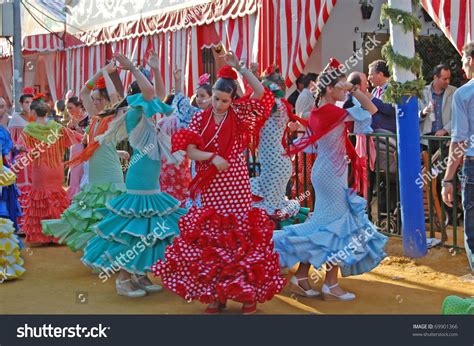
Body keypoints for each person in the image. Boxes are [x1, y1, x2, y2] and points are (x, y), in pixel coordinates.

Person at [153, 52, 285, 314]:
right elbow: (188, 150)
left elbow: (261, 95)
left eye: (225, 100)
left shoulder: (239, 115)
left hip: (236, 186)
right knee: (214, 240)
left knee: (240, 239)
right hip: (211, 186)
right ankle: (217, 295)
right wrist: (212, 157)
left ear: (233, 99)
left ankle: (248, 295)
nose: (219, 104)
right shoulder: (199, 118)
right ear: (211, 94)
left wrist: (241, 69)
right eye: (216, 98)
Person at [273, 64, 387, 301]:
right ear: (329, 88)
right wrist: (355, 90)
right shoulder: (332, 113)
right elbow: (372, 108)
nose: (345, 90)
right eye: (341, 86)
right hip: (332, 175)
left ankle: (302, 277)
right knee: (336, 228)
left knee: (325, 226)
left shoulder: (316, 113)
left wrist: (348, 88)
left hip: (326, 171)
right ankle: (330, 284)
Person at [81, 54, 186, 298]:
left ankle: (139, 273)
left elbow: (155, 94)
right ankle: (124, 277)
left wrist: (157, 71)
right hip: (140, 177)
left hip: (149, 177)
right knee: (135, 228)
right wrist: (134, 69)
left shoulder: (144, 109)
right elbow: (151, 93)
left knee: (148, 228)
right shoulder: (135, 111)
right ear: (138, 94)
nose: (152, 95)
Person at [42, 62, 127, 252]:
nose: (94, 102)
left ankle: (113, 254)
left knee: (110, 215)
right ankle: (101, 252)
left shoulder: (112, 116)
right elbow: (83, 92)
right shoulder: (94, 117)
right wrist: (101, 72)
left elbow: (114, 96)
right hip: (96, 172)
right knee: (95, 215)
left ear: (106, 101)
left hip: (110, 174)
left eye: (98, 99)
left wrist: (108, 75)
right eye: (94, 99)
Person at [250, 65, 309, 227]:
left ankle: (280, 246)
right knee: (273, 208)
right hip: (276, 163)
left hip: (275, 164)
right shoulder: (276, 105)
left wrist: (248, 73)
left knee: (272, 211)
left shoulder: (274, 106)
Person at [21, 98, 82, 245]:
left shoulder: (28, 129)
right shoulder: (57, 127)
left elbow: (24, 150)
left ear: (34, 112)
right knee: (57, 198)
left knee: (41, 199)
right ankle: (58, 234)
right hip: (56, 167)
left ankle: (43, 236)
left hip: (40, 170)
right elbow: (76, 138)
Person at [442, 41, 474, 278]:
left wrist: (447, 179)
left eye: (463, 59)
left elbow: (459, 140)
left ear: (470, 61)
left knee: (472, 233)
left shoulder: (463, 94)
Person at [8, 88, 34, 230]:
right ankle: (22, 225)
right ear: (21, 103)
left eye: (31, 102)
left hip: (36, 158)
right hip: (22, 160)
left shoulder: (36, 118)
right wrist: (21, 148)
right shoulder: (16, 118)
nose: (29, 105)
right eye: (26, 102)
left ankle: (32, 225)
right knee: (23, 189)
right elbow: (11, 143)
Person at [419, 64, 457, 145]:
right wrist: (422, 113)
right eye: (445, 79)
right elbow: (412, 116)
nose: (448, 81)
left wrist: (445, 130)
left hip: (446, 138)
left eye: (449, 78)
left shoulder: (454, 92)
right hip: (426, 138)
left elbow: (458, 116)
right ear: (435, 78)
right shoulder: (422, 92)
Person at [65, 97, 89, 199]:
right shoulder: (72, 120)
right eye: (67, 108)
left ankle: (81, 198)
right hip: (74, 150)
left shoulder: (88, 118)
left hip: (84, 151)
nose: (69, 111)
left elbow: (88, 137)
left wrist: (77, 127)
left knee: (81, 174)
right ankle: (74, 199)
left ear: (79, 107)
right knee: (74, 175)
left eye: (71, 108)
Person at [368, 60, 396, 133]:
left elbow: (391, 109)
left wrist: (372, 99)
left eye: (371, 74)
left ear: (380, 74)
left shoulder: (393, 89)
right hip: (376, 133)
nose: (369, 78)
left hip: (388, 134)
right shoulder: (375, 91)